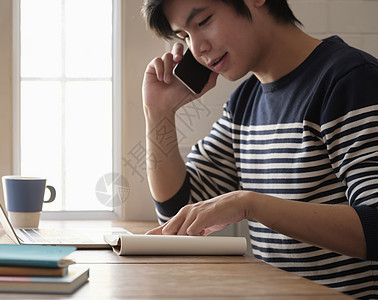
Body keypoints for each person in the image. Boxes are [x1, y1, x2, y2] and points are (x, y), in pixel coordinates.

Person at [140, 0, 378, 298]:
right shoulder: (244, 103)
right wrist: (158, 112)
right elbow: (178, 214)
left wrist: (250, 204)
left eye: (203, 21)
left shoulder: (350, 81)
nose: (197, 48)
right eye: (184, 36)